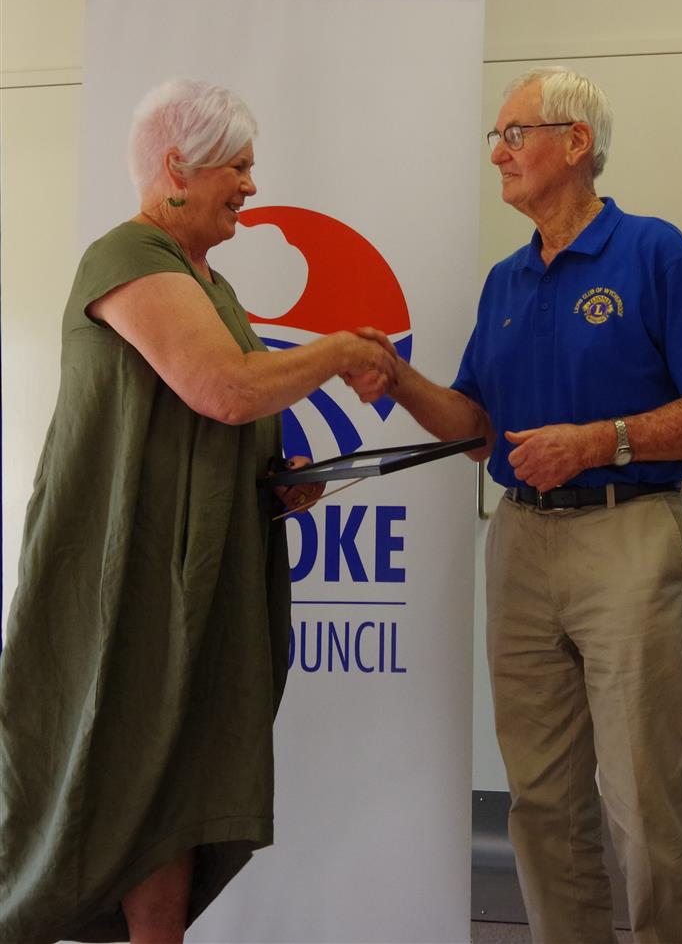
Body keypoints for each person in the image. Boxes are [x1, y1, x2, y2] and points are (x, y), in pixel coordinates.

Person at [0, 78, 397, 944]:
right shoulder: (129, 257)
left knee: (170, 794)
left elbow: (225, 419)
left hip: (191, 577)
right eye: (239, 166)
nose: (252, 186)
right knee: (106, 779)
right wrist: (333, 350)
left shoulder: (202, 277)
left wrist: (279, 470)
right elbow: (221, 389)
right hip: (123, 581)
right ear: (178, 166)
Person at [349, 67, 682, 943]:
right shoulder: (506, 282)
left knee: (643, 797)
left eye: (514, 134)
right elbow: (479, 427)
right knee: (541, 799)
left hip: (627, 531)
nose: (498, 154)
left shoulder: (654, 252)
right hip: (520, 541)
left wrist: (597, 442)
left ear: (575, 143)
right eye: (497, 138)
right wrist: (400, 381)